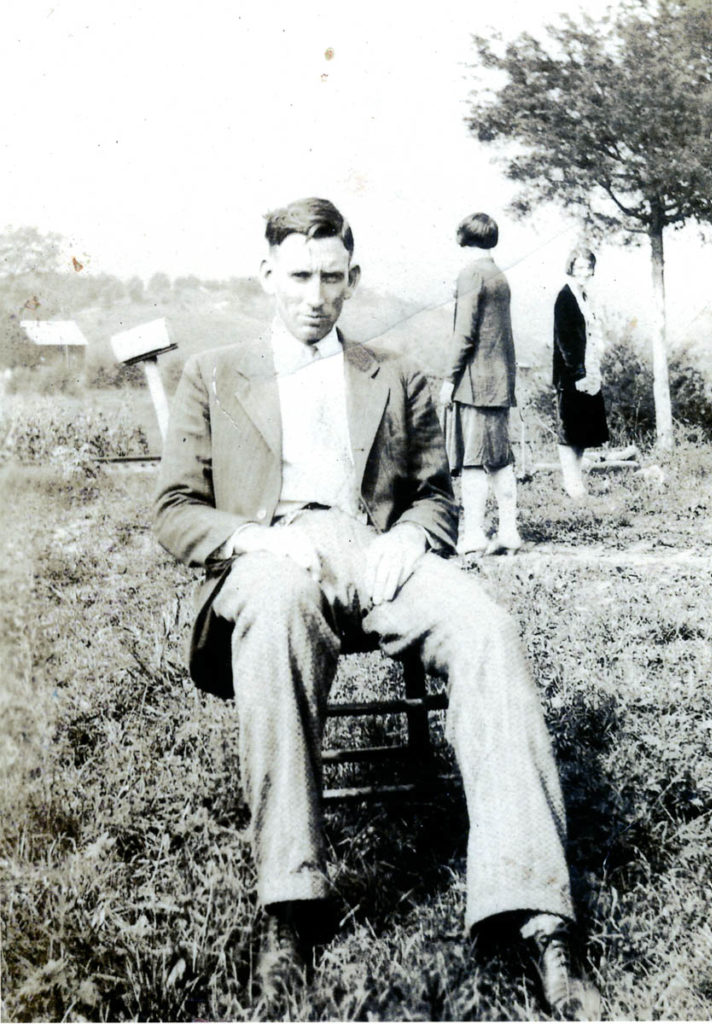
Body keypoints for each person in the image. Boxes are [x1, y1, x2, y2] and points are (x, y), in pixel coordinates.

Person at [154, 198, 596, 1019]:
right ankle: (290, 904)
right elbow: (176, 509)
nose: (315, 296)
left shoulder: (393, 372)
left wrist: (414, 538)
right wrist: (255, 541)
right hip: (273, 554)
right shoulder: (212, 374)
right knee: (282, 605)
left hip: (376, 550)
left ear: (352, 277)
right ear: (266, 275)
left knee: (486, 629)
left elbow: (434, 498)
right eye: (298, 277)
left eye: (331, 277)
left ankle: (537, 912)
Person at [439, 213, 521, 555]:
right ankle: (508, 531)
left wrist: (448, 378)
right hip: (501, 381)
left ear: (464, 239)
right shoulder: (499, 275)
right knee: (500, 458)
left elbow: (464, 334)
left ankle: (473, 534)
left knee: (473, 461)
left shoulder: (470, 273)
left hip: (476, 382)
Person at [553, 247, 609, 500]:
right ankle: (571, 483)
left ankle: (577, 483)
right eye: (580, 267)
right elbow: (565, 340)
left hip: (588, 371)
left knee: (582, 433)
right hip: (572, 375)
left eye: (588, 267)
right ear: (571, 268)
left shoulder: (584, 296)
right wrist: (577, 374)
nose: (584, 272)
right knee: (569, 432)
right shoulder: (565, 297)